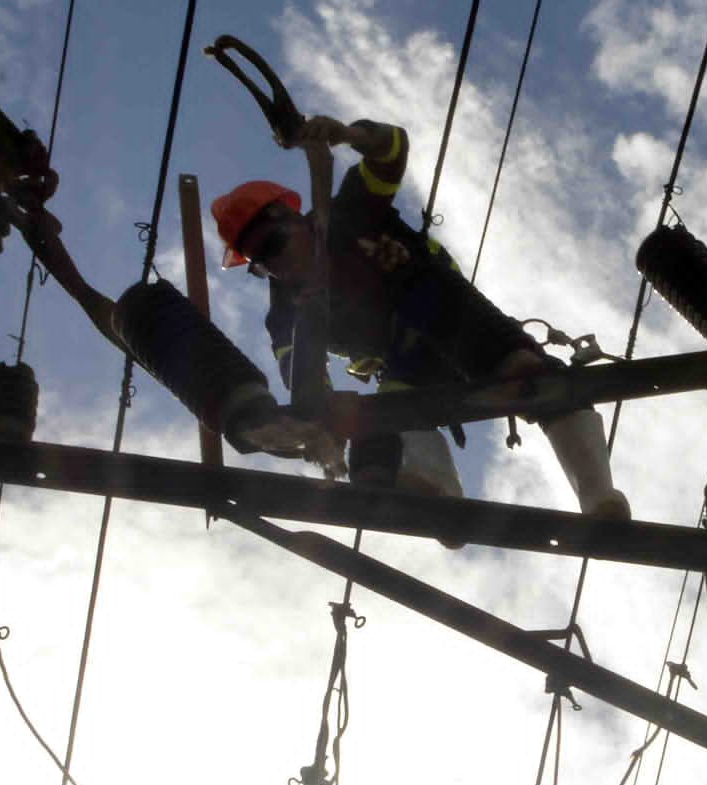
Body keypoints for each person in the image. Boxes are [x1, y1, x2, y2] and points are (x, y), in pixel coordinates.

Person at [210, 115, 629, 520]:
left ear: (292, 220)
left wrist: (347, 134)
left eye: (272, 245)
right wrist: (320, 415)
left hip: (454, 318)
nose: (275, 264)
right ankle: (439, 498)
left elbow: (391, 151)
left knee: (531, 374)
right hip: (405, 362)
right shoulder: (287, 308)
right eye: (260, 261)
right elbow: (300, 368)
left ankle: (600, 499)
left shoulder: (349, 214)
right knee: (393, 406)